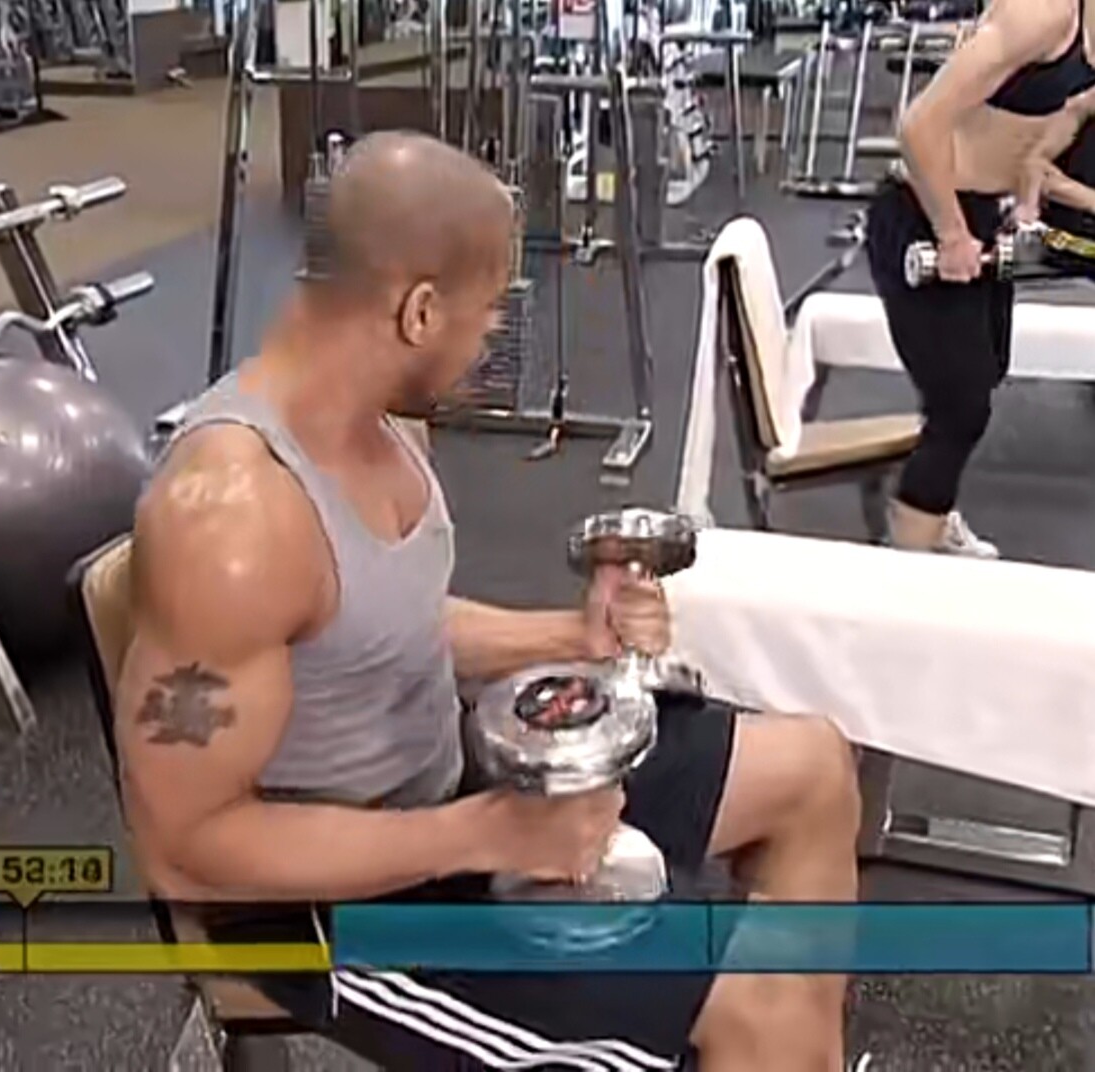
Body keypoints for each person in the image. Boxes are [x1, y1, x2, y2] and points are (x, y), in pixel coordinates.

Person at [117, 131, 862, 1071]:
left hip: (450, 793)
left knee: (811, 769)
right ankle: (772, 1043)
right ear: (419, 311)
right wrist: (479, 834)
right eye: (490, 311)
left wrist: (569, 636)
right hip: (328, 909)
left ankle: (800, 1051)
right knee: (760, 1012)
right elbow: (187, 849)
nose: (493, 336)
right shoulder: (231, 517)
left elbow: (386, 627)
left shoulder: (386, 419)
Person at [866, 0, 1095, 558]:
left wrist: (1036, 193)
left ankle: (931, 510)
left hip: (988, 213)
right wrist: (950, 235)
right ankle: (904, 571)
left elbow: (1066, 122)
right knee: (961, 406)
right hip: (924, 208)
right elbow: (918, 126)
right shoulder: (1042, 14)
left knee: (985, 371)